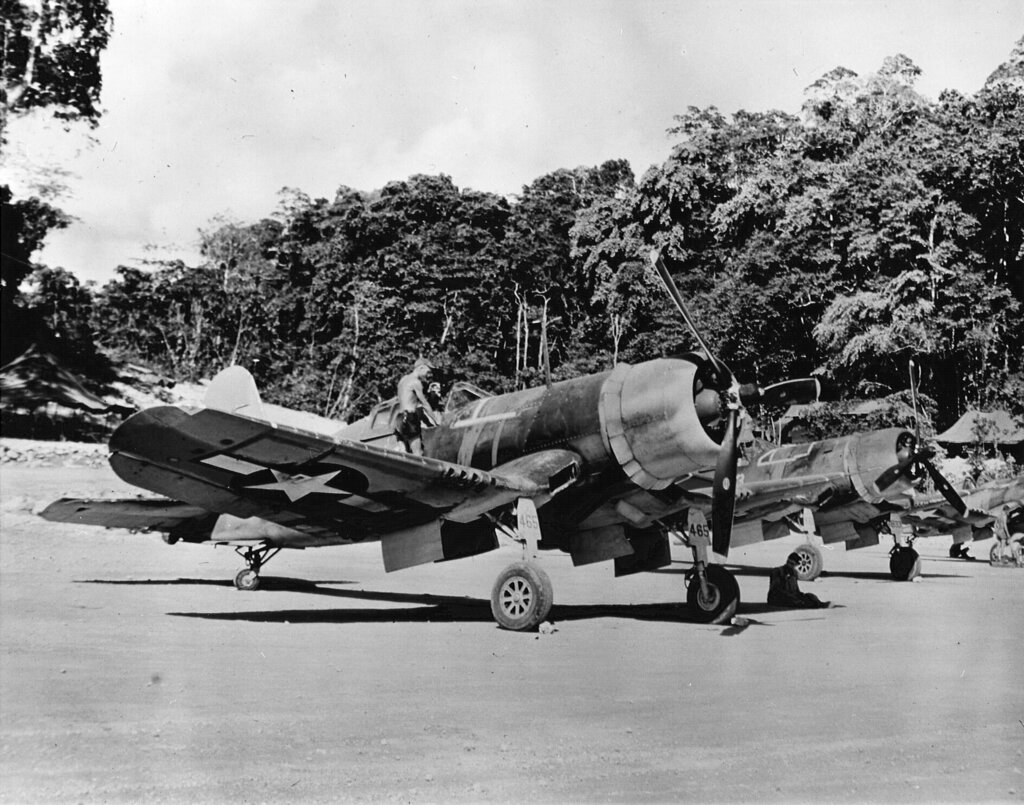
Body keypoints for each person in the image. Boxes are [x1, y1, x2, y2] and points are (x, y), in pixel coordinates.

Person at [395, 358, 439, 456]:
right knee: (418, 454)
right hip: (409, 417)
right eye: (428, 372)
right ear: (421, 368)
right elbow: (425, 404)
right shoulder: (416, 382)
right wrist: (436, 422)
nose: (429, 375)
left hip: (399, 418)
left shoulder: (403, 380)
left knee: (403, 454)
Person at [767, 552, 831, 608]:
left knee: (810, 596)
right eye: (789, 563)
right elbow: (776, 590)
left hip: (792, 596)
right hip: (777, 598)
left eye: (792, 564)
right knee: (796, 601)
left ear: (796, 565)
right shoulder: (777, 571)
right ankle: (811, 604)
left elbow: (796, 590)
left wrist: (803, 596)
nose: (789, 565)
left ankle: (820, 604)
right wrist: (792, 596)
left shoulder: (794, 573)